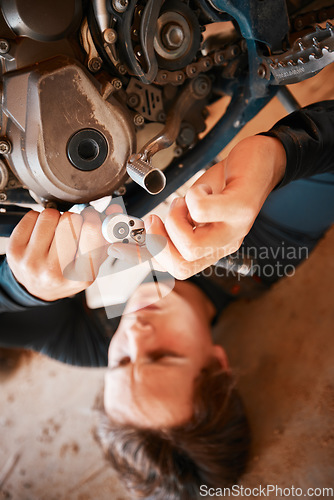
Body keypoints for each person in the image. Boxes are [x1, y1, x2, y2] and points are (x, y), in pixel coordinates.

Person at [0, 100, 334, 499]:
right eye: (163, 356)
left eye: (122, 362)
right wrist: (276, 157)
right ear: (217, 363)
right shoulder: (260, 259)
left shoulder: (90, 339)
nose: (136, 335)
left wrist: (20, 288)